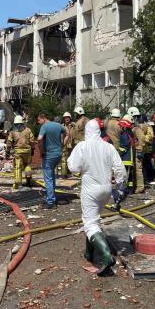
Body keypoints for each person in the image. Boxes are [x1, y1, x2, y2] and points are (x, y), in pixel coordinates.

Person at [68, 119, 126, 275]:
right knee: (94, 220)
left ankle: (106, 256)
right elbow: (120, 168)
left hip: (90, 190)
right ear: (99, 131)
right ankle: (90, 253)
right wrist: (120, 188)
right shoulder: (108, 147)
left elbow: (73, 167)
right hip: (106, 190)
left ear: (86, 131)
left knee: (90, 223)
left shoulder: (82, 146)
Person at [37, 113, 68, 209]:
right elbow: (67, 133)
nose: (38, 122)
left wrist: (41, 151)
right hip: (58, 154)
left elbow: (39, 139)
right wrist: (63, 144)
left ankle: (50, 202)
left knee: (48, 178)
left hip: (49, 155)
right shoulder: (58, 125)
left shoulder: (44, 127)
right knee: (51, 176)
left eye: (39, 120)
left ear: (43, 118)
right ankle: (52, 196)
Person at [5, 115, 36, 189]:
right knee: (27, 165)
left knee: (18, 167)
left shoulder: (12, 132)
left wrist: (7, 152)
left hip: (18, 152)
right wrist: (33, 149)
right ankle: (28, 181)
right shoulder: (28, 130)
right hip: (27, 150)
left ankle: (19, 184)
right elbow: (32, 141)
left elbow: (9, 142)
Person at [132, 115, 153, 193]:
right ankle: (138, 184)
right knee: (139, 168)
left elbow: (149, 137)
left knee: (140, 168)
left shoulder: (145, 127)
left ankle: (140, 186)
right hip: (140, 149)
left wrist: (144, 140)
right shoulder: (137, 127)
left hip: (142, 149)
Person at [118, 116, 135, 192]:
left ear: (124, 127)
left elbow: (125, 146)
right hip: (129, 157)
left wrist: (119, 152)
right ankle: (130, 188)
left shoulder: (124, 134)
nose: (120, 128)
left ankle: (124, 189)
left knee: (125, 174)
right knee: (130, 174)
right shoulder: (129, 133)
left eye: (121, 126)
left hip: (126, 157)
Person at [60, 112, 75, 178]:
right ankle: (64, 173)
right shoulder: (61, 126)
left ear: (70, 118)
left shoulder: (73, 126)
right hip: (63, 144)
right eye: (65, 117)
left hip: (71, 145)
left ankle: (69, 172)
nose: (67, 119)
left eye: (68, 117)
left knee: (70, 159)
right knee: (64, 159)